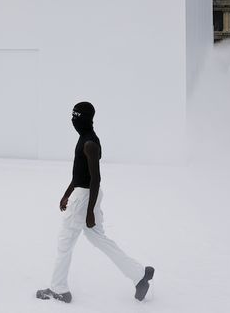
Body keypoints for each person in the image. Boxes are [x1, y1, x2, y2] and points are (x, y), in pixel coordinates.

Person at [36, 102, 154, 304]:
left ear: (86, 119)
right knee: (99, 239)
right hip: (87, 195)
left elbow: (95, 178)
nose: (73, 121)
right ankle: (139, 274)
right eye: (72, 117)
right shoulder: (85, 139)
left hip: (84, 199)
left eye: (76, 117)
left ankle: (59, 289)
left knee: (65, 243)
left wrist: (89, 210)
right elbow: (79, 174)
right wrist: (66, 193)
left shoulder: (89, 143)